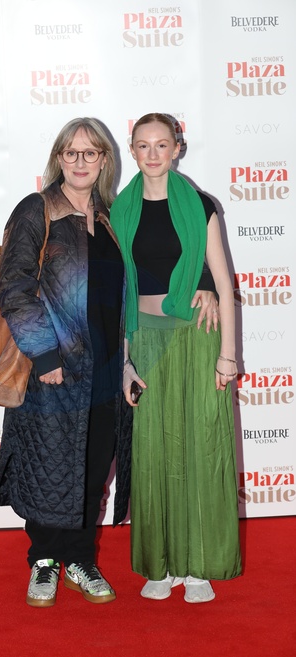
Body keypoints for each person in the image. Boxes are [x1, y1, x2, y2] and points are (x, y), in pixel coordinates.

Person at [0, 117, 132, 607]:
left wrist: (128, 361)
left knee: (92, 469)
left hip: (106, 368)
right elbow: (14, 286)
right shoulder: (38, 209)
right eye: (71, 152)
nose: (80, 161)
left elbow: (124, 297)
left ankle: (80, 559)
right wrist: (44, 352)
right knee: (49, 466)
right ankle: (45, 560)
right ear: (58, 158)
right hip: (55, 366)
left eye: (90, 152)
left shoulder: (112, 217)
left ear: (104, 160)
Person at [111, 112, 242, 603]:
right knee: (152, 452)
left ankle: (198, 565)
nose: (153, 154)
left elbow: (222, 281)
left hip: (198, 335)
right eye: (143, 145)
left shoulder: (199, 205)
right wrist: (124, 362)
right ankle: (160, 565)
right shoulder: (118, 211)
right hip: (145, 339)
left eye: (162, 144)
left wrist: (228, 356)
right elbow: (119, 291)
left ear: (177, 149)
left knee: (201, 445)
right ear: (132, 150)